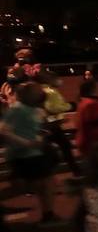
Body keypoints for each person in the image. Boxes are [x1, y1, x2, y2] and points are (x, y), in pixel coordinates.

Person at [2, 82, 59, 223]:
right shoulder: (18, 109)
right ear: (29, 95)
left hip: (35, 153)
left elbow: (33, 128)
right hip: (25, 155)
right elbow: (3, 130)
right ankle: (48, 215)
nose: (42, 93)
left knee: (47, 183)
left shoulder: (33, 109)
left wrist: (44, 132)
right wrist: (27, 143)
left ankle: (48, 214)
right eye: (38, 91)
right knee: (40, 185)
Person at [74, 78, 98, 162]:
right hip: (94, 144)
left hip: (85, 142)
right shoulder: (93, 104)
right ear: (92, 90)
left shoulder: (84, 102)